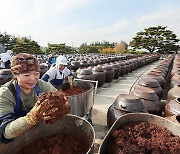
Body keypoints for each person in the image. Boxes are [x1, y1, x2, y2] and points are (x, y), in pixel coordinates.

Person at [0, 53, 59, 143]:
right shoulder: (5, 93)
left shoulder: (40, 84)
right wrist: (31, 118)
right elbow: (5, 132)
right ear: (15, 74)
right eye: (26, 75)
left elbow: (59, 97)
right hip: (16, 140)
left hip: (38, 134)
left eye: (36, 74)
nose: (32, 79)